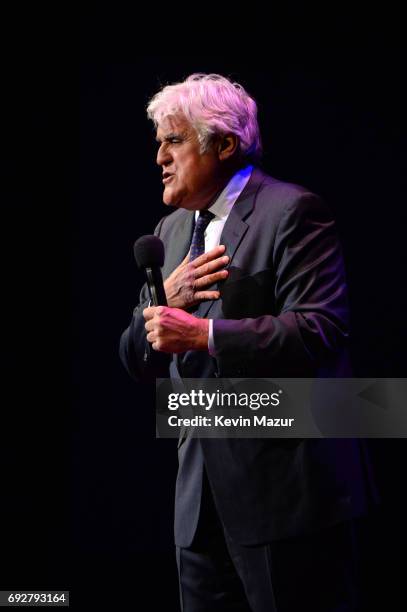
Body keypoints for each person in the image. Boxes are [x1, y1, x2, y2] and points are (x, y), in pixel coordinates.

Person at [120, 74, 377, 611]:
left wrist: (206, 333)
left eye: (174, 140)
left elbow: (320, 327)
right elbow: (135, 353)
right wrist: (160, 303)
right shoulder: (167, 234)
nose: (159, 157)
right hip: (198, 503)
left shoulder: (293, 211)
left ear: (225, 143)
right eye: (158, 144)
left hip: (287, 497)